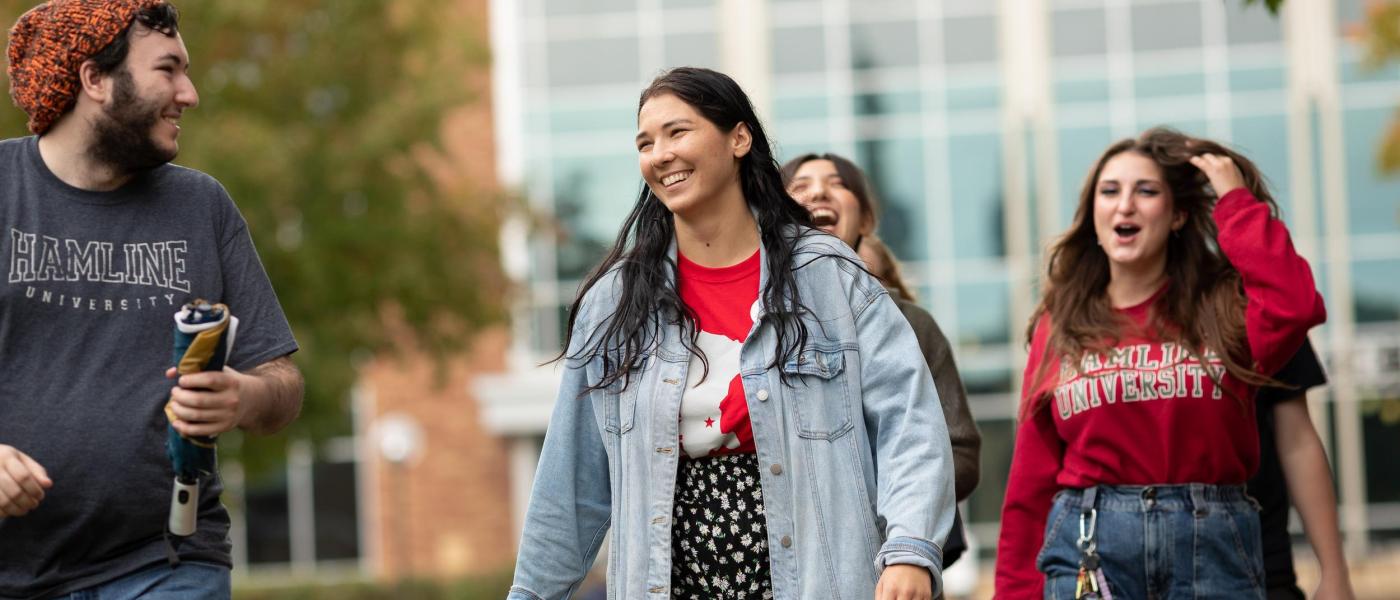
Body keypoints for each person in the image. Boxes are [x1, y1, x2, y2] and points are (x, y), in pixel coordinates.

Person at [507, 67, 956, 600]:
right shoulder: (614, 304)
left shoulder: (831, 278)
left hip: (815, 580)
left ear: (739, 138)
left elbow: (910, 424)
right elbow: (570, 486)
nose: (660, 154)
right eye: (645, 143)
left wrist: (910, 549)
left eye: (678, 132)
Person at [0, 2, 303, 598]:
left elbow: (282, 383)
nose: (188, 94)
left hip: (165, 564)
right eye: (168, 69)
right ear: (95, 79)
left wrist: (243, 397)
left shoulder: (202, 206)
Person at [995, 128, 1327, 598]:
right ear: (1093, 214)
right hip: (1088, 547)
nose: (1124, 205)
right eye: (1109, 192)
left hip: (1213, 546)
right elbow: (1031, 481)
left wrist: (1234, 199)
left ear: (1178, 216)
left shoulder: (1226, 309)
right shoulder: (1059, 325)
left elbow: (1297, 305)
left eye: (1146, 191)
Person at [780, 153, 981, 569]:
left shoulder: (913, 325)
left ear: (867, 221)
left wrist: (879, 502)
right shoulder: (753, 325)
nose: (818, 191)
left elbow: (960, 454)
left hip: (894, 568)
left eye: (837, 183)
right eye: (800, 185)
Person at [1249, 341, 1355, 599]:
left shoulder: (1261, 305)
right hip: (1135, 571)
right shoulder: (1130, 322)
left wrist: (1334, 573)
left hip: (1262, 564)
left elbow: (1298, 442)